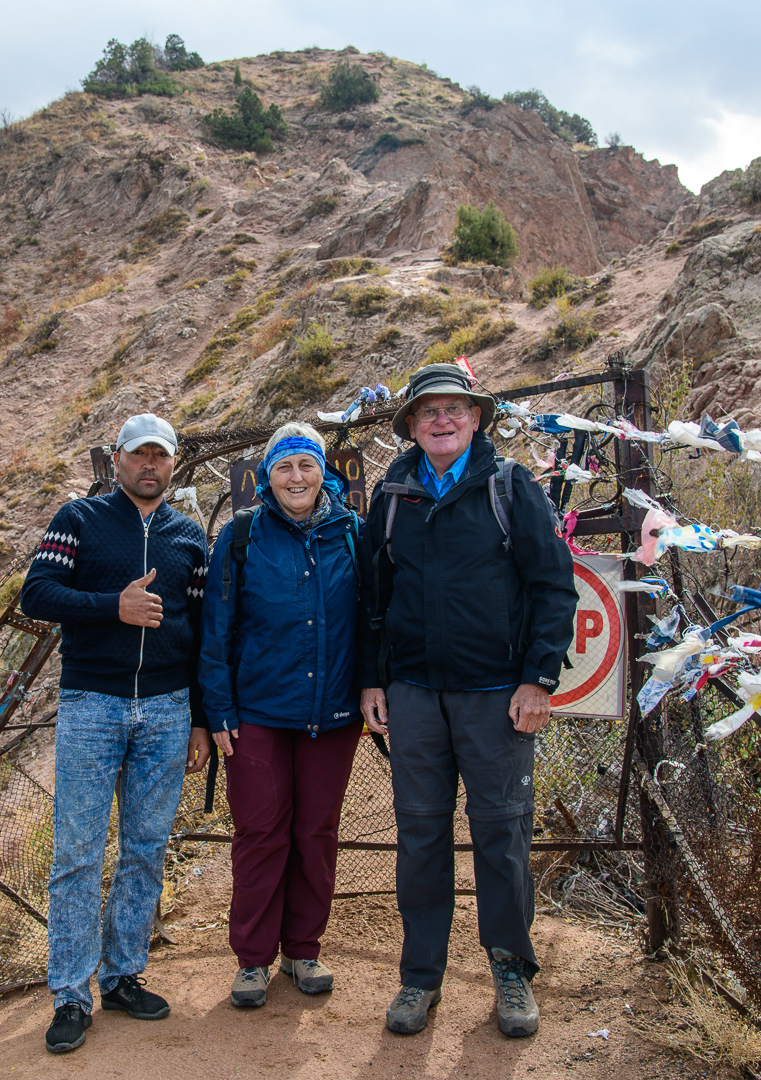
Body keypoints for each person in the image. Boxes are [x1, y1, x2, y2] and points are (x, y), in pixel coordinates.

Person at [357, 363, 576, 1039]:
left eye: (455, 408)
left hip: (496, 697)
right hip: (415, 695)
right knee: (420, 835)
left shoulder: (510, 486)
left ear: (476, 418)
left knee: (500, 835)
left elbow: (553, 586)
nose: (442, 420)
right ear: (411, 425)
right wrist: (372, 679)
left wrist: (538, 679)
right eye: (429, 411)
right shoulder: (393, 494)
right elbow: (372, 596)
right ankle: (420, 977)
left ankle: (510, 970)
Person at [20, 413, 212, 1055]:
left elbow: (201, 631)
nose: (149, 465)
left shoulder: (189, 535)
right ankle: (70, 995)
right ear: (119, 460)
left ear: (173, 463)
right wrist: (113, 606)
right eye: (139, 454)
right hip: (92, 704)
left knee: (145, 849)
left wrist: (201, 718)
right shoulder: (78, 519)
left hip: (168, 708)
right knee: (77, 853)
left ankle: (123, 975)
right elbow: (36, 594)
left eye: (161, 455)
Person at [198, 423, 363, 1009]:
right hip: (257, 714)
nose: (296, 477)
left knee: (315, 834)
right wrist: (217, 708)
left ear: (323, 472)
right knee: (261, 833)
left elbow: (373, 619)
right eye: (284, 467)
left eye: (306, 465)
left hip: (333, 712)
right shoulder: (242, 534)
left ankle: (302, 949)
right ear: (267, 477)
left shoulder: (352, 532)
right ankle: (252, 959)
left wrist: (372, 685)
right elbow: (216, 627)